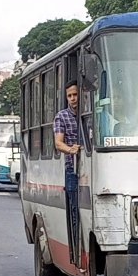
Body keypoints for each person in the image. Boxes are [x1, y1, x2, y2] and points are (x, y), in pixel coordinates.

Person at [53, 80, 81, 264]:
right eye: (69, 96)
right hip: (73, 170)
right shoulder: (61, 117)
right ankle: (77, 252)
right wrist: (71, 150)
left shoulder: (93, 112)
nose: (72, 99)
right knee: (75, 211)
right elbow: (58, 143)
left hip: (95, 169)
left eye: (75, 95)